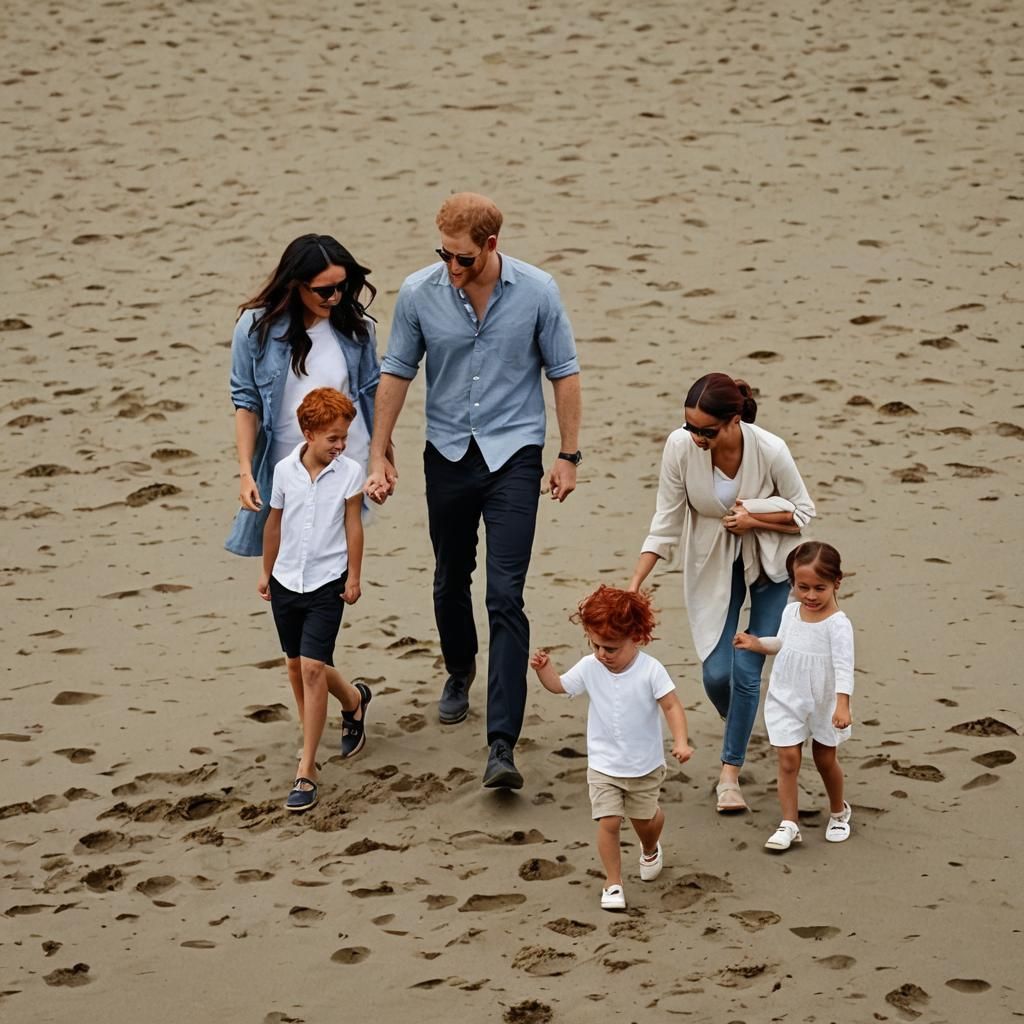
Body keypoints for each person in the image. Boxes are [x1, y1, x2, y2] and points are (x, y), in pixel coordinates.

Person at [364, 192, 582, 790]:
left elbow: (563, 372)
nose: (451, 267)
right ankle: (460, 668)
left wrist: (566, 455)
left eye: (461, 257)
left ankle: (501, 743)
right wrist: (379, 451)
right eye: (444, 254)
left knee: (505, 594)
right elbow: (397, 373)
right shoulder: (419, 293)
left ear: (491, 245)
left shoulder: (538, 291)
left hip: (514, 457)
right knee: (449, 576)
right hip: (449, 456)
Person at [628, 372, 815, 814]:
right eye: (689, 426)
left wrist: (755, 520)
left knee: (747, 667)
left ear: (733, 422)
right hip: (712, 562)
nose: (695, 437)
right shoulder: (680, 447)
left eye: (706, 431)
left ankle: (728, 775)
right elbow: (666, 520)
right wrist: (636, 582)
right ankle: (747, 726)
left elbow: (803, 513)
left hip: (772, 562)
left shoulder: (770, 449)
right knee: (717, 674)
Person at [530, 585, 693, 912]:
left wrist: (680, 741)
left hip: (645, 765)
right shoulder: (591, 666)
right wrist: (544, 670)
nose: (603, 654)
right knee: (609, 821)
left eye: (611, 648)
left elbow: (672, 706)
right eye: (596, 645)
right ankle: (613, 882)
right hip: (604, 765)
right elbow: (561, 686)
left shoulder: (651, 670)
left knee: (645, 820)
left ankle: (650, 847)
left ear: (637, 637)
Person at [227, 233, 388, 558]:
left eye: (342, 287)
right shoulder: (254, 328)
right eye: (324, 290)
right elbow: (246, 404)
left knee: (330, 577)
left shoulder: (358, 329)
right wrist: (246, 474)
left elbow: (371, 394)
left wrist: (382, 460)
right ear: (295, 285)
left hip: (343, 468)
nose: (335, 297)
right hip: (285, 473)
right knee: (285, 575)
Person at [258, 388, 370, 812]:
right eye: (333, 439)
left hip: (328, 582)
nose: (341, 447)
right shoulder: (284, 470)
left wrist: (355, 576)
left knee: (311, 668)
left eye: (344, 438)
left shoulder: (349, 473)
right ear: (308, 433)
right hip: (287, 581)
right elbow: (274, 523)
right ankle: (355, 702)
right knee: (296, 665)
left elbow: (353, 525)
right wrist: (266, 572)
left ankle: (307, 767)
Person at [734, 541, 854, 851]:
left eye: (819, 588)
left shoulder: (838, 625)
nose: (811, 596)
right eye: (803, 587)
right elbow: (782, 643)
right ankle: (789, 823)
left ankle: (839, 812)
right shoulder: (791, 612)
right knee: (788, 759)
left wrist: (842, 705)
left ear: (836, 583)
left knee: (825, 759)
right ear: (793, 584)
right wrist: (757, 643)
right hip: (787, 693)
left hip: (824, 701)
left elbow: (844, 667)